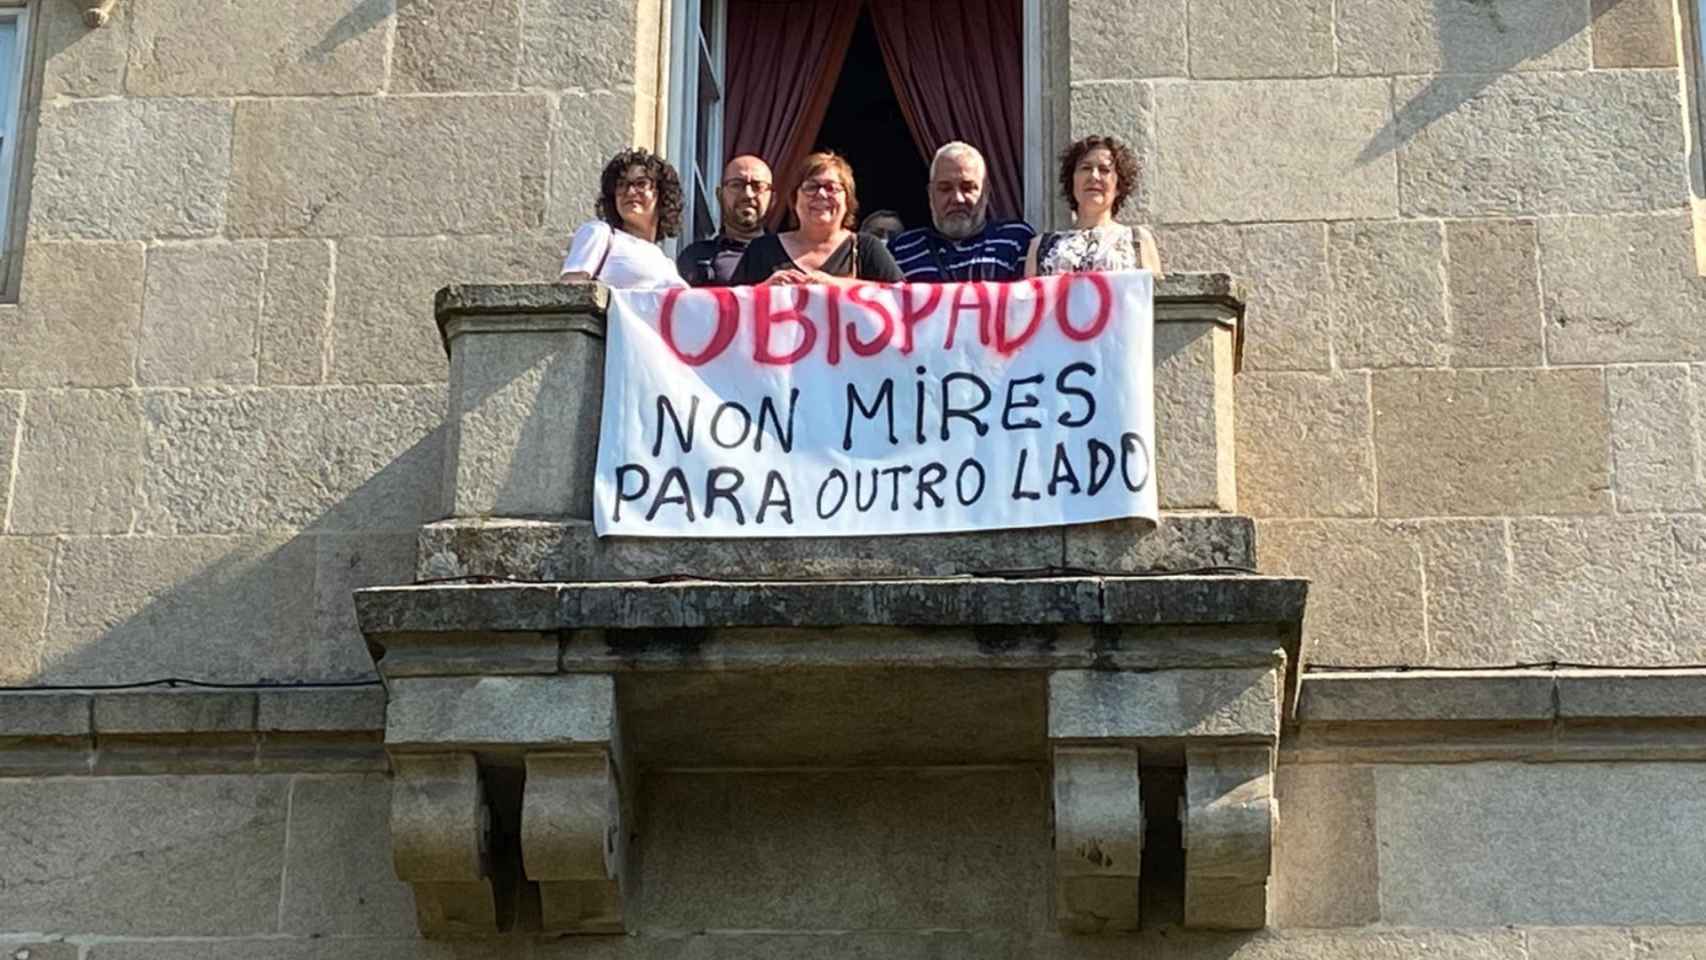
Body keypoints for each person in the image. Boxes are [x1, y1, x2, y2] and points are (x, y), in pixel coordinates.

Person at [731, 151, 904, 285]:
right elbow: (731, 310)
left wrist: (840, 286)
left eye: (832, 188)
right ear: (794, 198)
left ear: (848, 199)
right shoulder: (761, 250)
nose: (821, 194)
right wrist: (763, 291)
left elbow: (902, 300)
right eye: (811, 187)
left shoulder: (866, 249)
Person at [889, 141, 1036, 283]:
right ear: (930, 195)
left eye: (968, 188)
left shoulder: (1017, 240)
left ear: (986, 193)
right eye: (945, 189)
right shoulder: (901, 251)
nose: (957, 199)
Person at [1025, 134, 1162, 277]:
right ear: (1072, 180)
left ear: (1119, 185)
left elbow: (1152, 296)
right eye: (1086, 168)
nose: (1094, 176)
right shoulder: (1040, 247)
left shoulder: (1138, 241)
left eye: (1104, 170)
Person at [559, 148, 688, 289]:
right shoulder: (600, 233)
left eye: (641, 184)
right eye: (621, 185)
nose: (630, 192)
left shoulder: (665, 262)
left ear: (661, 194)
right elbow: (570, 294)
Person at [677, 155, 774, 286]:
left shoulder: (788, 256)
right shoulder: (694, 258)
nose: (748, 194)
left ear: (773, 199)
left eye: (758, 186)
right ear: (719, 195)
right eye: (736, 185)